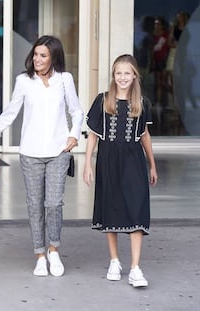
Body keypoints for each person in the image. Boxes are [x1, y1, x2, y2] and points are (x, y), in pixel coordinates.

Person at [0, 35, 84, 277]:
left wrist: (74, 135)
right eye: (36, 54)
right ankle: (40, 254)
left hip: (58, 151)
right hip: (30, 153)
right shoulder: (24, 80)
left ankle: (54, 249)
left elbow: (76, 109)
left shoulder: (65, 80)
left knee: (53, 203)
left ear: (54, 57)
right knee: (35, 206)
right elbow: (10, 114)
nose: (38, 59)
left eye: (43, 55)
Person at [83, 54, 158, 288]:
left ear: (135, 75)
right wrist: (88, 163)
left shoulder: (142, 103)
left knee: (137, 208)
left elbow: (144, 134)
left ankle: (136, 267)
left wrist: (152, 164)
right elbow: (94, 135)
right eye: (118, 73)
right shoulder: (103, 100)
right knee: (112, 207)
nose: (122, 77)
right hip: (108, 161)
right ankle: (114, 261)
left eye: (127, 73)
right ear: (113, 76)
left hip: (134, 162)